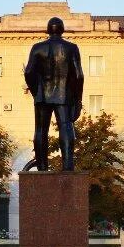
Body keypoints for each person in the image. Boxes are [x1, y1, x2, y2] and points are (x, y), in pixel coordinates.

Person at [23, 17, 84, 171]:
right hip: (64, 95)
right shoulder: (71, 48)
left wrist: (36, 90)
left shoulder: (37, 48)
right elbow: (78, 76)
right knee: (66, 128)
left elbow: (29, 71)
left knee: (40, 130)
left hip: (42, 95)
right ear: (62, 30)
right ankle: (68, 166)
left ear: (48, 30)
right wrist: (78, 99)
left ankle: (42, 167)